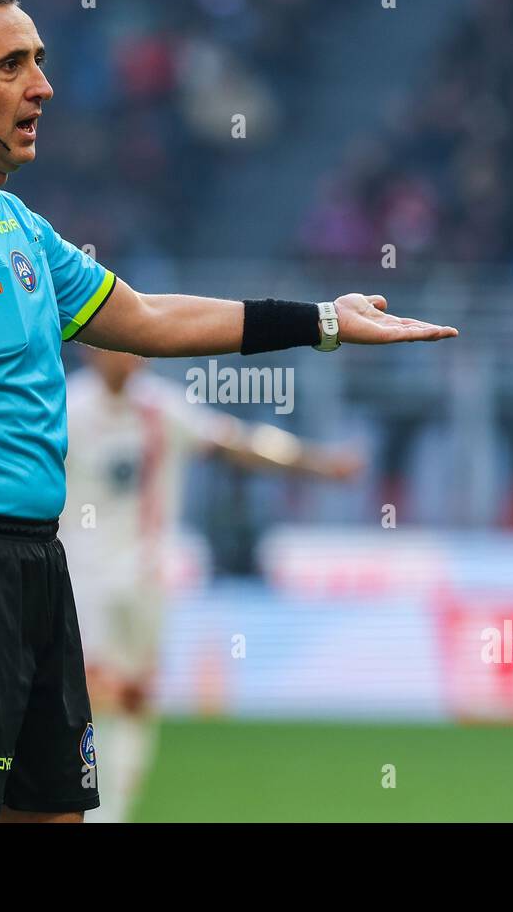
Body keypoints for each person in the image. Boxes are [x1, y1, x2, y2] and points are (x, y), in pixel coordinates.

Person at [0, 0, 457, 824]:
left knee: (57, 814)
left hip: (38, 567)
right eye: (11, 66)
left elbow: (146, 318)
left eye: (39, 61)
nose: (42, 85)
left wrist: (322, 321)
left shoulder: (18, 228)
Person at [63, 348, 363, 822]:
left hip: (144, 583)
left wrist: (319, 464)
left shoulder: (163, 408)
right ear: (88, 349)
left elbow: (241, 444)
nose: (127, 354)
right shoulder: (66, 409)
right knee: (88, 700)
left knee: (135, 700)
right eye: (113, 342)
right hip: (80, 585)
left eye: (132, 343)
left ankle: (113, 811)